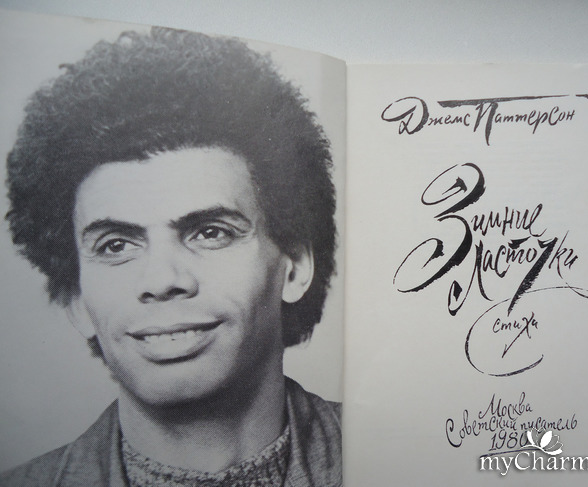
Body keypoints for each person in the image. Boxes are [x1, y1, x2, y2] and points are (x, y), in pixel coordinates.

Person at [1, 26, 341, 487]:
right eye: (116, 245)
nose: (161, 280)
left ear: (295, 266)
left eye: (210, 233)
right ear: (76, 299)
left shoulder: (405, 455)